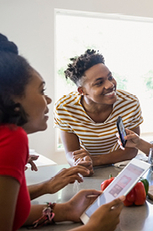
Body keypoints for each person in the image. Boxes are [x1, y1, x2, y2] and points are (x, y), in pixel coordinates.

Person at [0, 33, 123, 231]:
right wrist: (92, 229)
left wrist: (65, 209)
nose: (48, 100)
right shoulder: (11, 138)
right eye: (41, 91)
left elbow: (10, 211)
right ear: (14, 100)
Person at [54, 49, 143, 175]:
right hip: (89, 172)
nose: (110, 85)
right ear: (82, 91)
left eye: (110, 77)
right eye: (99, 83)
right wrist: (79, 163)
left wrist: (94, 160)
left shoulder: (130, 103)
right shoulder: (65, 108)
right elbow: (71, 153)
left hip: (121, 169)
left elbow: (131, 150)